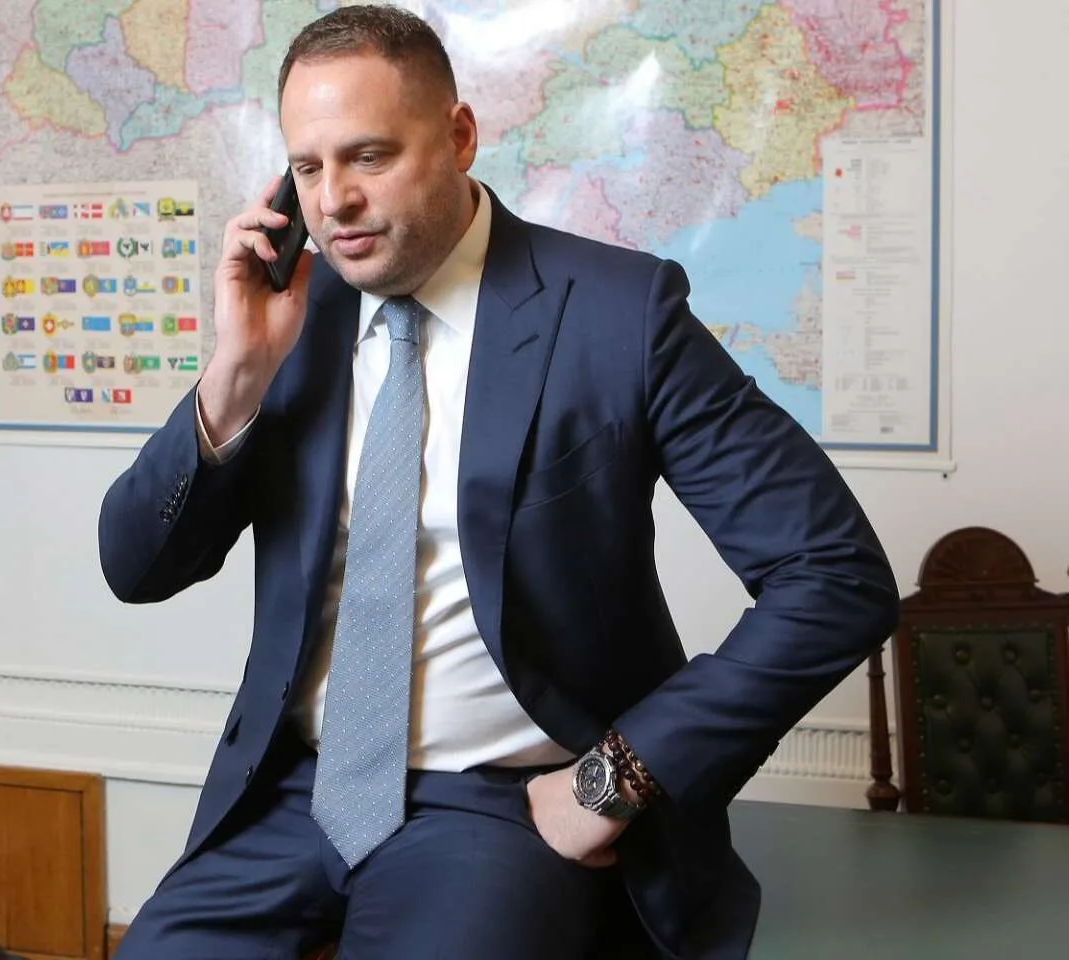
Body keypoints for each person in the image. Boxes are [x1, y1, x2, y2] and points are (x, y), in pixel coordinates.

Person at [98, 5, 898, 958]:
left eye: (368, 157)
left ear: (460, 136)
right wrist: (232, 376)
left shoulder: (619, 315)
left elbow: (834, 576)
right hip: (291, 798)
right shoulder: (288, 324)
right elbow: (137, 568)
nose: (334, 201)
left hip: (501, 810)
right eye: (307, 169)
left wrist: (612, 781)